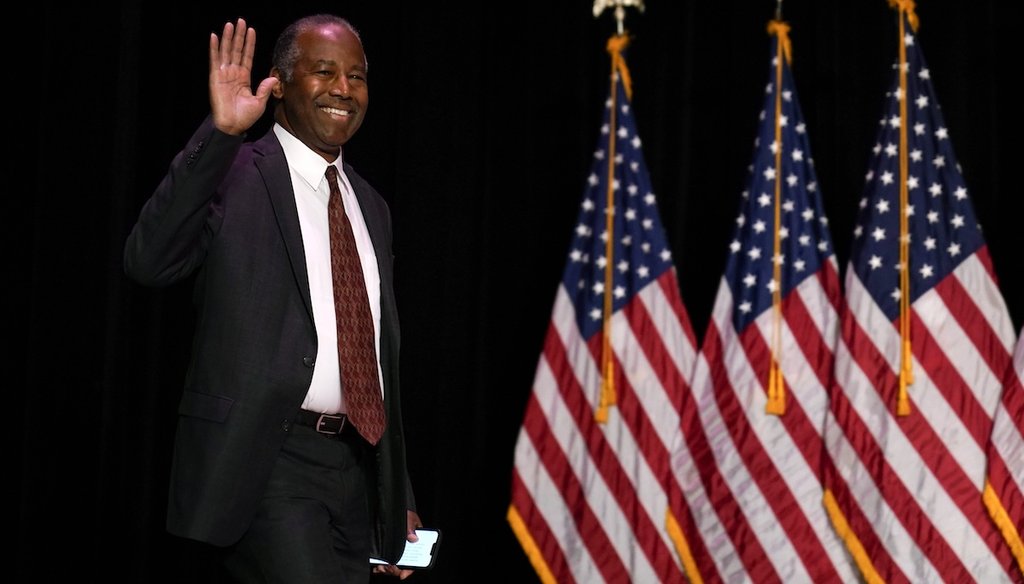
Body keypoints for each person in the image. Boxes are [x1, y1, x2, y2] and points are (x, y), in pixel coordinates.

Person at [124, 14, 421, 583]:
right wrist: (221, 132)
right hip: (270, 461)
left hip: (358, 468)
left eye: (356, 77)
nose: (343, 89)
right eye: (324, 71)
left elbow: (375, 359)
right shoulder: (234, 174)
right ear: (281, 82)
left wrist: (394, 490)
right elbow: (148, 261)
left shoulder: (372, 206)